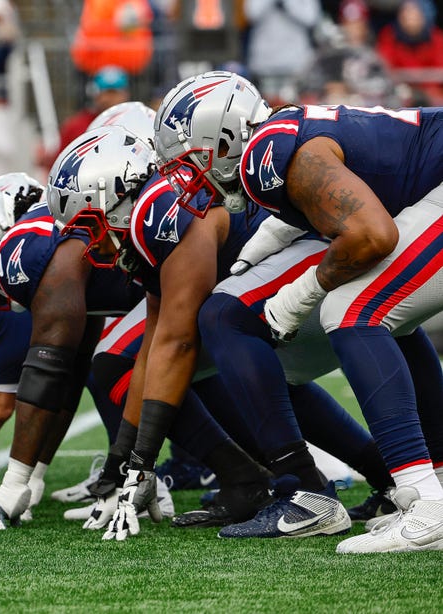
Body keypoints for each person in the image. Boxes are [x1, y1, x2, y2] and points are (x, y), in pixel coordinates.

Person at [153, 71, 443, 552]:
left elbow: (372, 235)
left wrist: (300, 294)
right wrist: (253, 256)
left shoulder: (275, 152)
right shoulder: (284, 137)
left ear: (222, 139)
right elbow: (318, 202)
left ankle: (425, 503)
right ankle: (432, 487)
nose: (190, 177)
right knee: (381, 310)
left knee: (353, 310)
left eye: (191, 162)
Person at [53, 66, 130, 162]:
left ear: (125, 94)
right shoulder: (75, 126)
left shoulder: (135, 124)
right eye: (103, 92)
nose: (107, 98)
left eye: (113, 93)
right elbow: (60, 162)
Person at [375, 0, 443, 101]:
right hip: (401, 92)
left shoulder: (436, 37)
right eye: (406, 16)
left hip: (433, 92)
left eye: (414, 15)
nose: (410, 20)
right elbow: (385, 67)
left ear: (424, 16)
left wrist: (426, 90)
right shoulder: (389, 36)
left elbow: (439, 68)